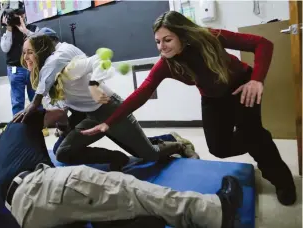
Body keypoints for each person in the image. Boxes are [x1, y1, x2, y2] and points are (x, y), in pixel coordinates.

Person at [81, 11, 296, 206]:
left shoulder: (209, 37)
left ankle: (282, 181)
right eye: (157, 42)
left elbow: (263, 44)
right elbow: (142, 93)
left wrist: (257, 80)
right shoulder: (166, 63)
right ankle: (258, 137)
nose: (161, 47)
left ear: (182, 35)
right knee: (219, 149)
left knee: (254, 135)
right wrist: (109, 122)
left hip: (241, 88)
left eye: (167, 40)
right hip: (212, 100)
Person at [0, 108, 243, 228]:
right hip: (35, 190)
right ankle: (214, 211)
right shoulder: (24, 123)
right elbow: (54, 114)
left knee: (95, 206)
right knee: (126, 187)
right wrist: (53, 114)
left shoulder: (7, 144)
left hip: (20, 214)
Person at [14, 34, 199, 171]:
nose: (26, 57)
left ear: (42, 52)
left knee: (148, 154)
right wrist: (60, 126)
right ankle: (118, 158)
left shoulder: (68, 68)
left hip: (110, 109)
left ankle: (178, 143)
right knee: (62, 152)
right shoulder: (48, 82)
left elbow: (99, 59)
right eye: (24, 53)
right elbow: (60, 109)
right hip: (91, 116)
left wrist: (94, 85)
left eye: (30, 52)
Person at [0, 3, 38, 116]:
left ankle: (39, 125)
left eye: (19, 14)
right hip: (15, 69)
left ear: (24, 15)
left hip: (32, 67)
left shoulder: (32, 28)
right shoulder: (7, 31)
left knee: (36, 99)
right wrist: (9, 29)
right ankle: (18, 128)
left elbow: (40, 42)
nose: (17, 17)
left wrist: (25, 30)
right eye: (14, 15)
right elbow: (5, 48)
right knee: (17, 101)